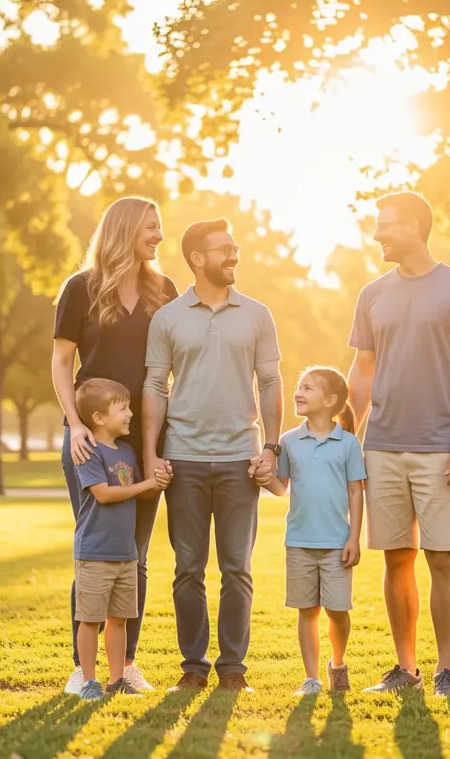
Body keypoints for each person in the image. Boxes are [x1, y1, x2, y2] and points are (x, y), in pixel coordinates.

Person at [348, 191, 450, 698]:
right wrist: (348, 433)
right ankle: (404, 669)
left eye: (386, 225)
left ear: (413, 225)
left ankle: (445, 670)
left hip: (439, 447)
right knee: (396, 558)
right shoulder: (372, 294)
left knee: (443, 558)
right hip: (382, 445)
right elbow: (363, 370)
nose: (378, 233)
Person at [142, 218, 283, 694]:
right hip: (182, 458)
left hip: (240, 458)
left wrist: (271, 446)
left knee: (237, 567)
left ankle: (233, 669)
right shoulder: (168, 318)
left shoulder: (258, 314)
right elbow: (154, 386)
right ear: (197, 259)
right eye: (224, 249)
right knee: (187, 568)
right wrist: (150, 453)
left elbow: (269, 382)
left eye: (235, 247)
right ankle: (193, 667)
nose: (234, 255)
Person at [53, 196, 179, 695]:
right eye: (152, 227)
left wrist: (155, 444)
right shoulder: (79, 288)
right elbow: (62, 362)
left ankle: (125, 667)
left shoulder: (163, 290)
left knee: (135, 554)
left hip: (147, 436)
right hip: (91, 439)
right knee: (94, 550)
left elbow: (168, 367)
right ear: (125, 229)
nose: (159, 236)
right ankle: (82, 671)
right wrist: (75, 424)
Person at [255, 366, 366, 696]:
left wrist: (354, 537)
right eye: (298, 386)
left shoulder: (348, 444)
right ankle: (311, 678)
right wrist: (263, 478)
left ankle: (338, 663)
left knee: (338, 611)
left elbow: (356, 492)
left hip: (337, 543)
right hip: (299, 541)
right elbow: (280, 488)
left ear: (331, 400)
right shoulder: (289, 441)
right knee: (307, 610)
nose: (298, 393)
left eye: (308, 388)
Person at [70, 378, 171, 701]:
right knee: (90, 620)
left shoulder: (126, 451)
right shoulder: (88, 451)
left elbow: (140, 493)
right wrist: (146, 486)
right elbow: (103, 494)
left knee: (119, 620)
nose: (130, 414)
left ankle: (117, 680)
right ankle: (88, 681)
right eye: (123, 408)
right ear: (99, 418)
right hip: (95, 552)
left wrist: (161, 478)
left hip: (126, 554)